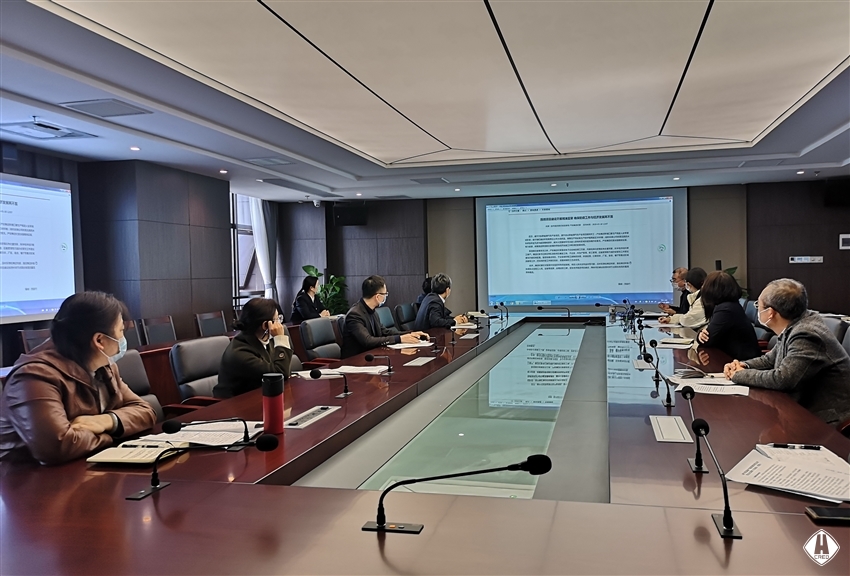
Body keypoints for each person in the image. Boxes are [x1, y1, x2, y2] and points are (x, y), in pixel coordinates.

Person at [0, 292, 157, 465]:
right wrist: (112, 436)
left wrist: (107, 421)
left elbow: (146, 411)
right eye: (120, 331)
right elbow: (57, 447)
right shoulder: (33, 376)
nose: (123, 339)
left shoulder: (104, 366)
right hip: (31, 478)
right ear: (99, 340)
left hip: (86, 466)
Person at [724, 278, 850, 425]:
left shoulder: (806, 334)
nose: (757, 309)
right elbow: (769, 360)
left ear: (770, 313)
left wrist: (739, 375)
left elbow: (783, 379)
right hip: (799, 407)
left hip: (826, 419)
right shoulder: (795, 323)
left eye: (758, 305)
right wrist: (743, 365)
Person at [215, 298, 294, 399]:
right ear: (265, 325)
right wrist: (280, 339)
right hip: (236, 403)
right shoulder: (240, 352)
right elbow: (280, 373)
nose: (280, 325)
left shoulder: (265, 340)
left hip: (259, 395)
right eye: (277, 320)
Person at [341, 275, 428, 358]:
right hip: (357, 360)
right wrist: (399, 339)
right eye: (385, 294)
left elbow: (384, 332)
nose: (386, 297)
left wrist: (409, 334)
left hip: (372, 356)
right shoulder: (355, 315)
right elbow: (367, 341)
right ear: (378, 297)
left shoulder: (372, 311)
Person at [696, 271, 761, 361]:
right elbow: (708, 337)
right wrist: (701, 335)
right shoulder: (731, 305)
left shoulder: (725, 310)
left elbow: (708, 341)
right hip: (734, 358)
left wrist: (700, 336)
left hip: (741, 362)